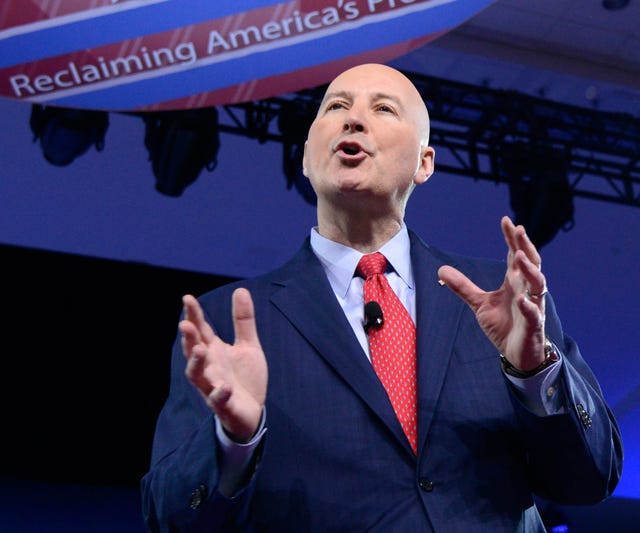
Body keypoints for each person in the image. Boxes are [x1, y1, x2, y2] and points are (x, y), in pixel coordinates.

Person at [140, 63, 623, 532]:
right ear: (307, 156)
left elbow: (591, 479)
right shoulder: (231, 320)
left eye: (385, 109)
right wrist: (232, 442)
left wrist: (534, 373)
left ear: (424, 163)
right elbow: (169, 517)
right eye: (336, 107)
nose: (354, 118)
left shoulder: (503, 297)